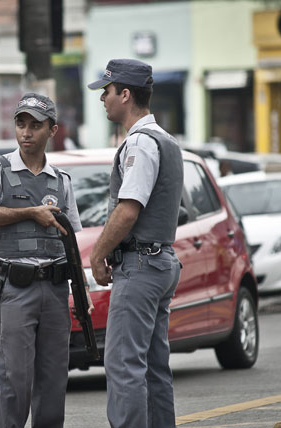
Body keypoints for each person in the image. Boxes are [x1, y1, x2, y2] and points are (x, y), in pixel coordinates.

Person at [0, 93, 93, 428]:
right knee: (16, 381)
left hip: (55, 289)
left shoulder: (62, 181)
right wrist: (30, 213)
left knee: (53, 382)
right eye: (21, 124)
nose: (26, 132)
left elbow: (71, 239)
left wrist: (81, 289)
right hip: (15, 287)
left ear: (52, 130)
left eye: (35, 125)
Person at [87, 59, 184, 428]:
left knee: (124, 365)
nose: (103, 100)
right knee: (154, 367)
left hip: (142, 265)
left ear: (125, 95)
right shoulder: (167, 140)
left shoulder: (140, 144)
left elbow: (128, 211)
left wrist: (97, 254)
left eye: (106, 92)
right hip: (160, 262)